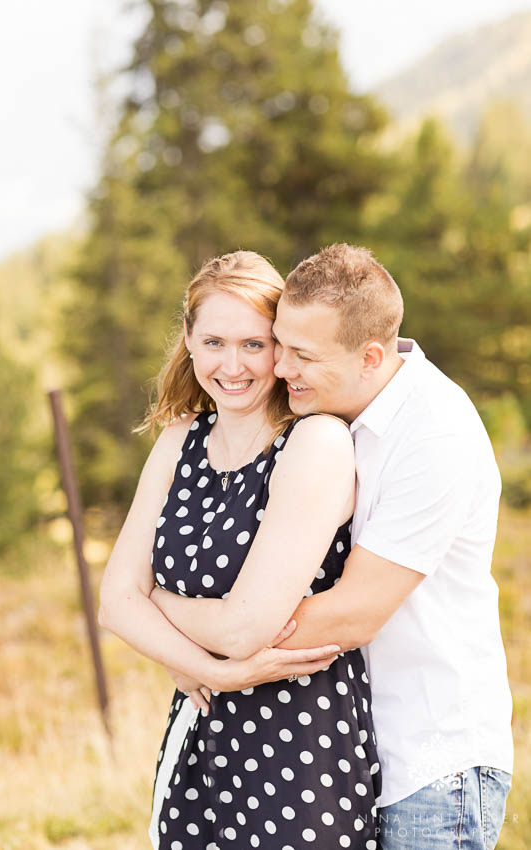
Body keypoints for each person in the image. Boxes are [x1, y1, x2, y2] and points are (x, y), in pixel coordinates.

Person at [151, 244, 514, 850]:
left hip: (430, 762)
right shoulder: (336, 411)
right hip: (362, 747)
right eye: (280, 343)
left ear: (370, 357)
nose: (281, 366)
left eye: (301, 354)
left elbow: (352, 613)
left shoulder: (433, 431)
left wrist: (193, 635)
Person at [98, 250, 380, 849]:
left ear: (281, 347)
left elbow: (240, 632)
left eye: (255, 344)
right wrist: (201, 671)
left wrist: (157, 603)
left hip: (302, 750)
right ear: (189, 341)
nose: (233, 365)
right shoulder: (178, 442)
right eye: (215, 341)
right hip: (199, 737)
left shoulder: (315, 442)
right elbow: (113, 601)